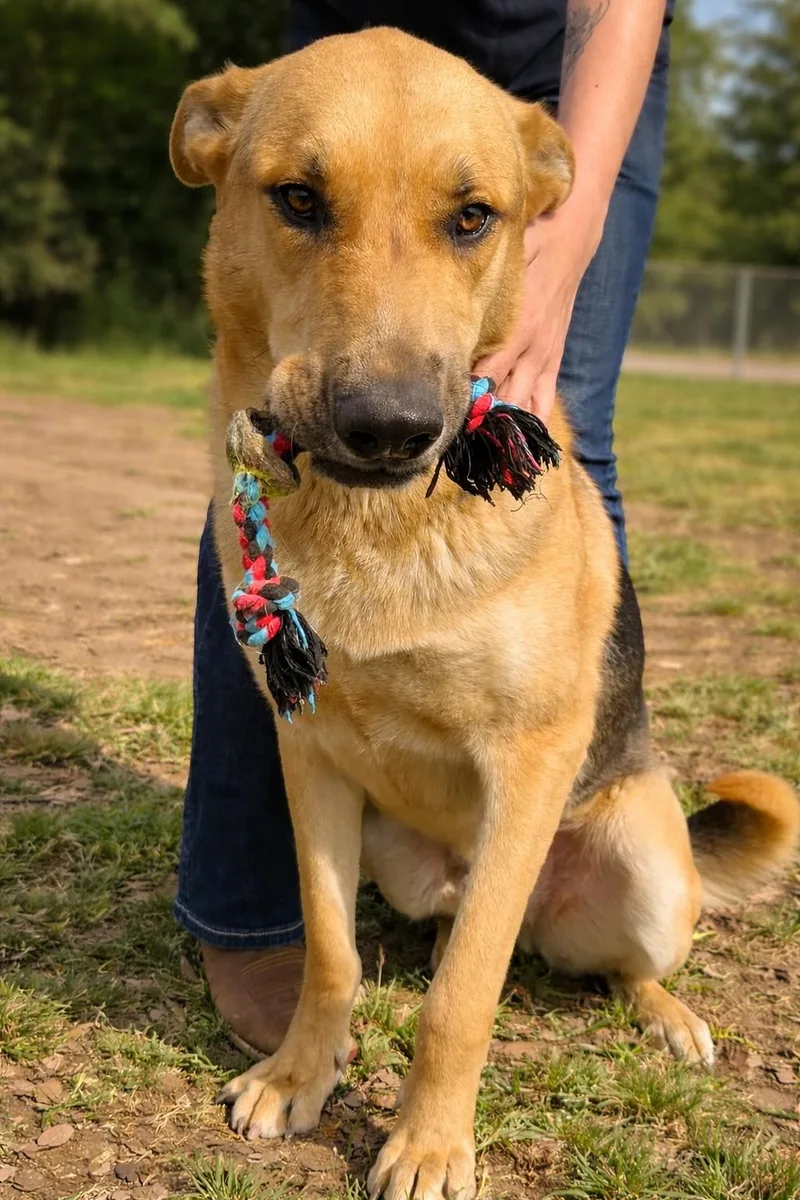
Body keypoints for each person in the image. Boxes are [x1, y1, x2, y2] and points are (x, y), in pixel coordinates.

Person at [174, 0, 673, 1054]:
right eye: (303, 202)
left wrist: (561, 234)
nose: (388, 415)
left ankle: (562, 805)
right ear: (211, 145)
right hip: (338, 35)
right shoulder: (258, 111)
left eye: (466, 223)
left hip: (567, 66)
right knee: (289, 655)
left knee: (563, 413)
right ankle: (247, 915)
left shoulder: (530, 163)